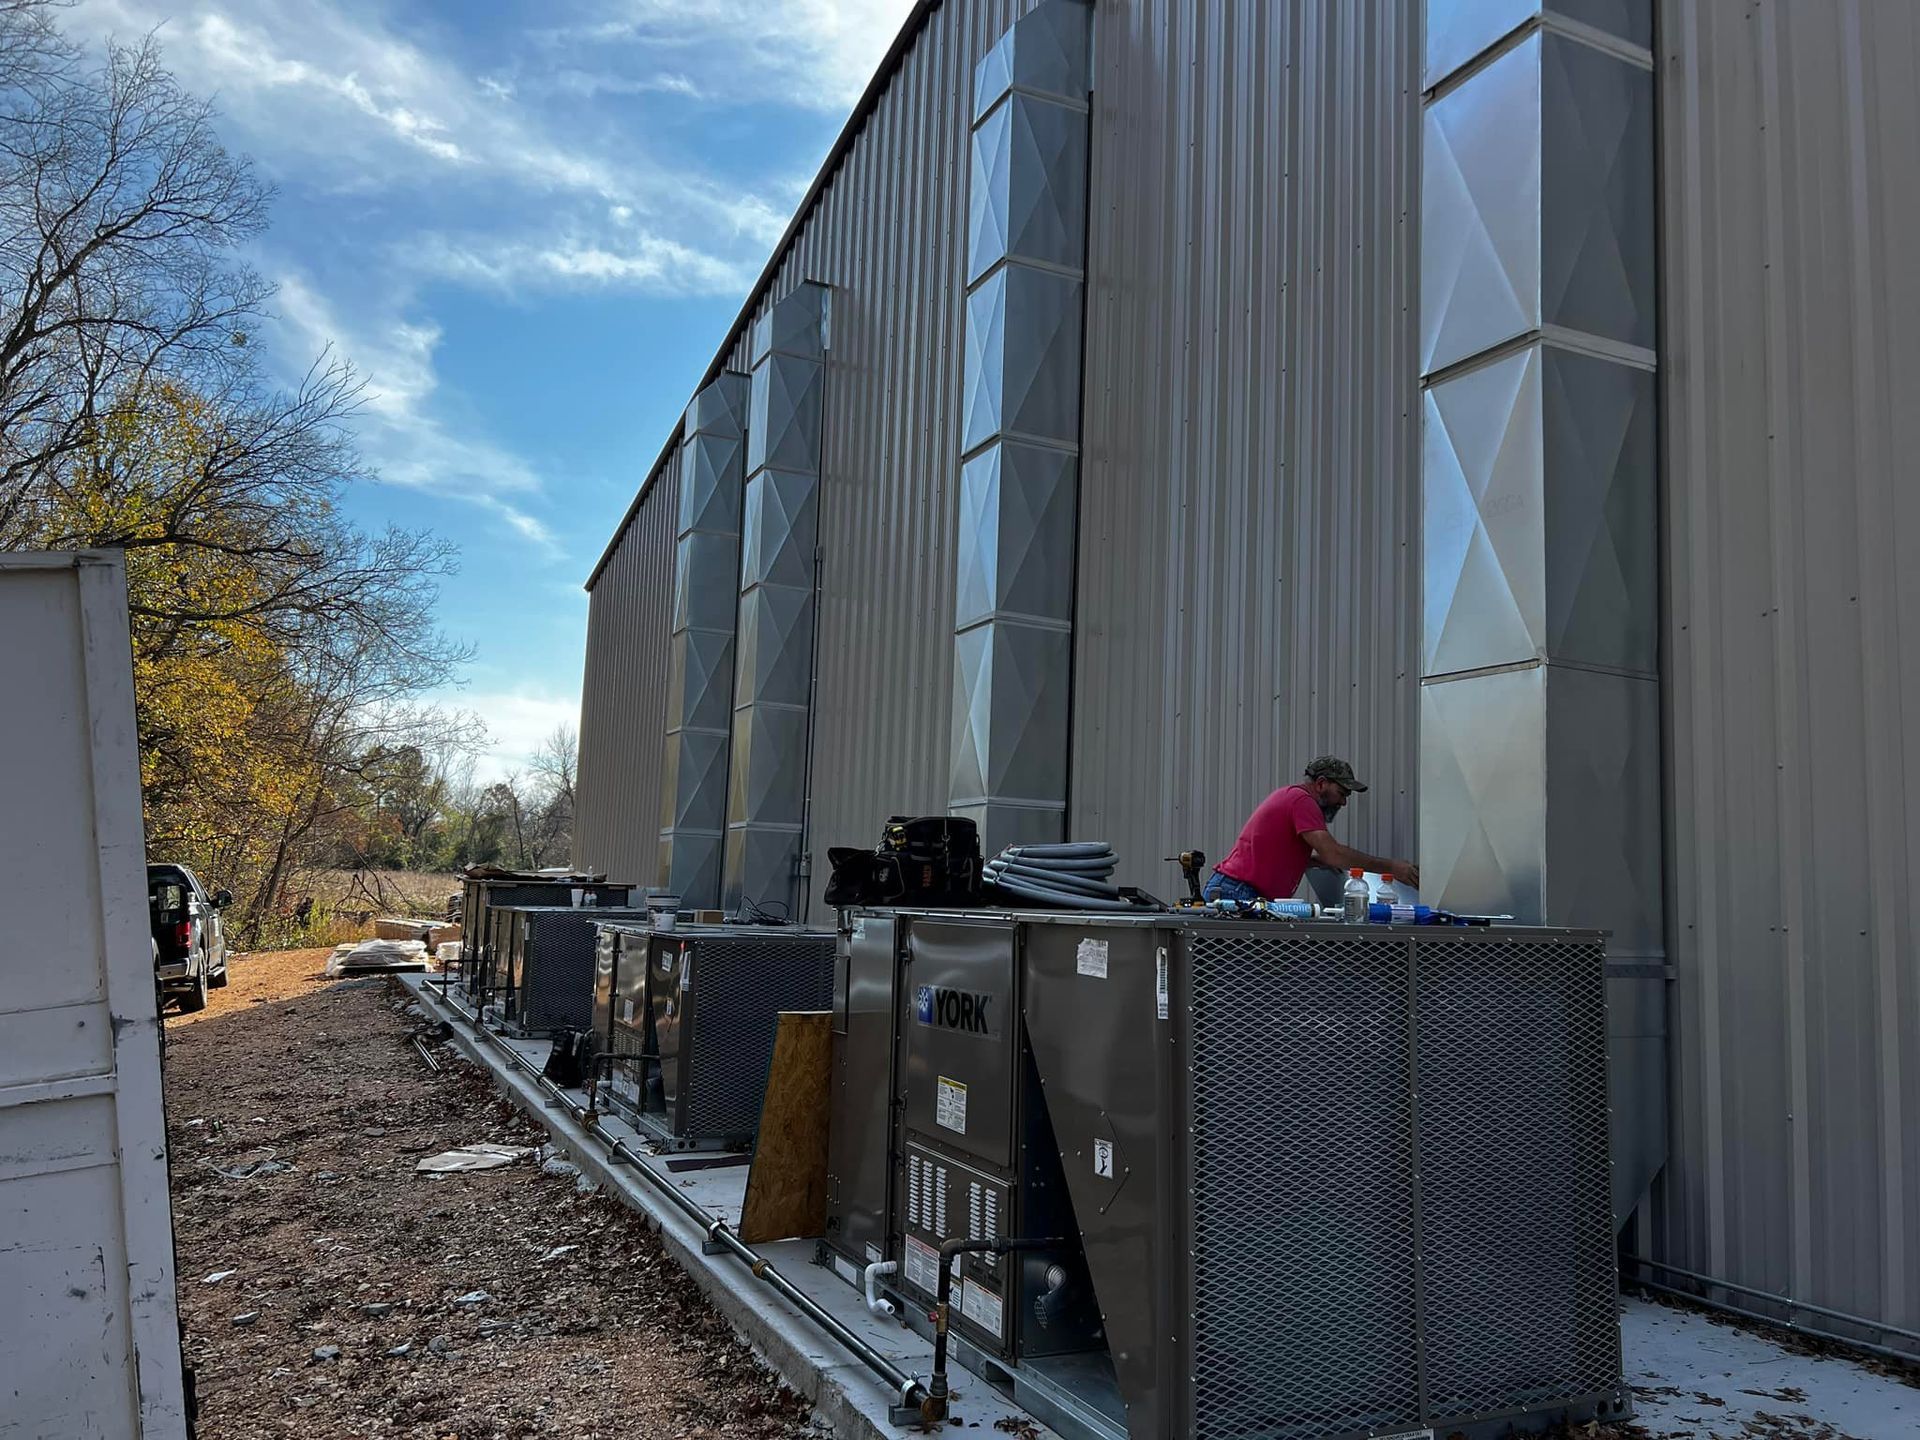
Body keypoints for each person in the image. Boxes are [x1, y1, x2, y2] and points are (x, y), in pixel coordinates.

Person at [1204, 755, 1419, 904]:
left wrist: (1316, 861)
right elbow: (1333, 853)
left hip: (1237, 891)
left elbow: (1272, 852)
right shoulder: (1302, 801)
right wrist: (1390, 867)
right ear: (1321, 783)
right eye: (1341, 793)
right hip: (1238, 894)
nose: (1343, 802)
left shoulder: (1290, 797)